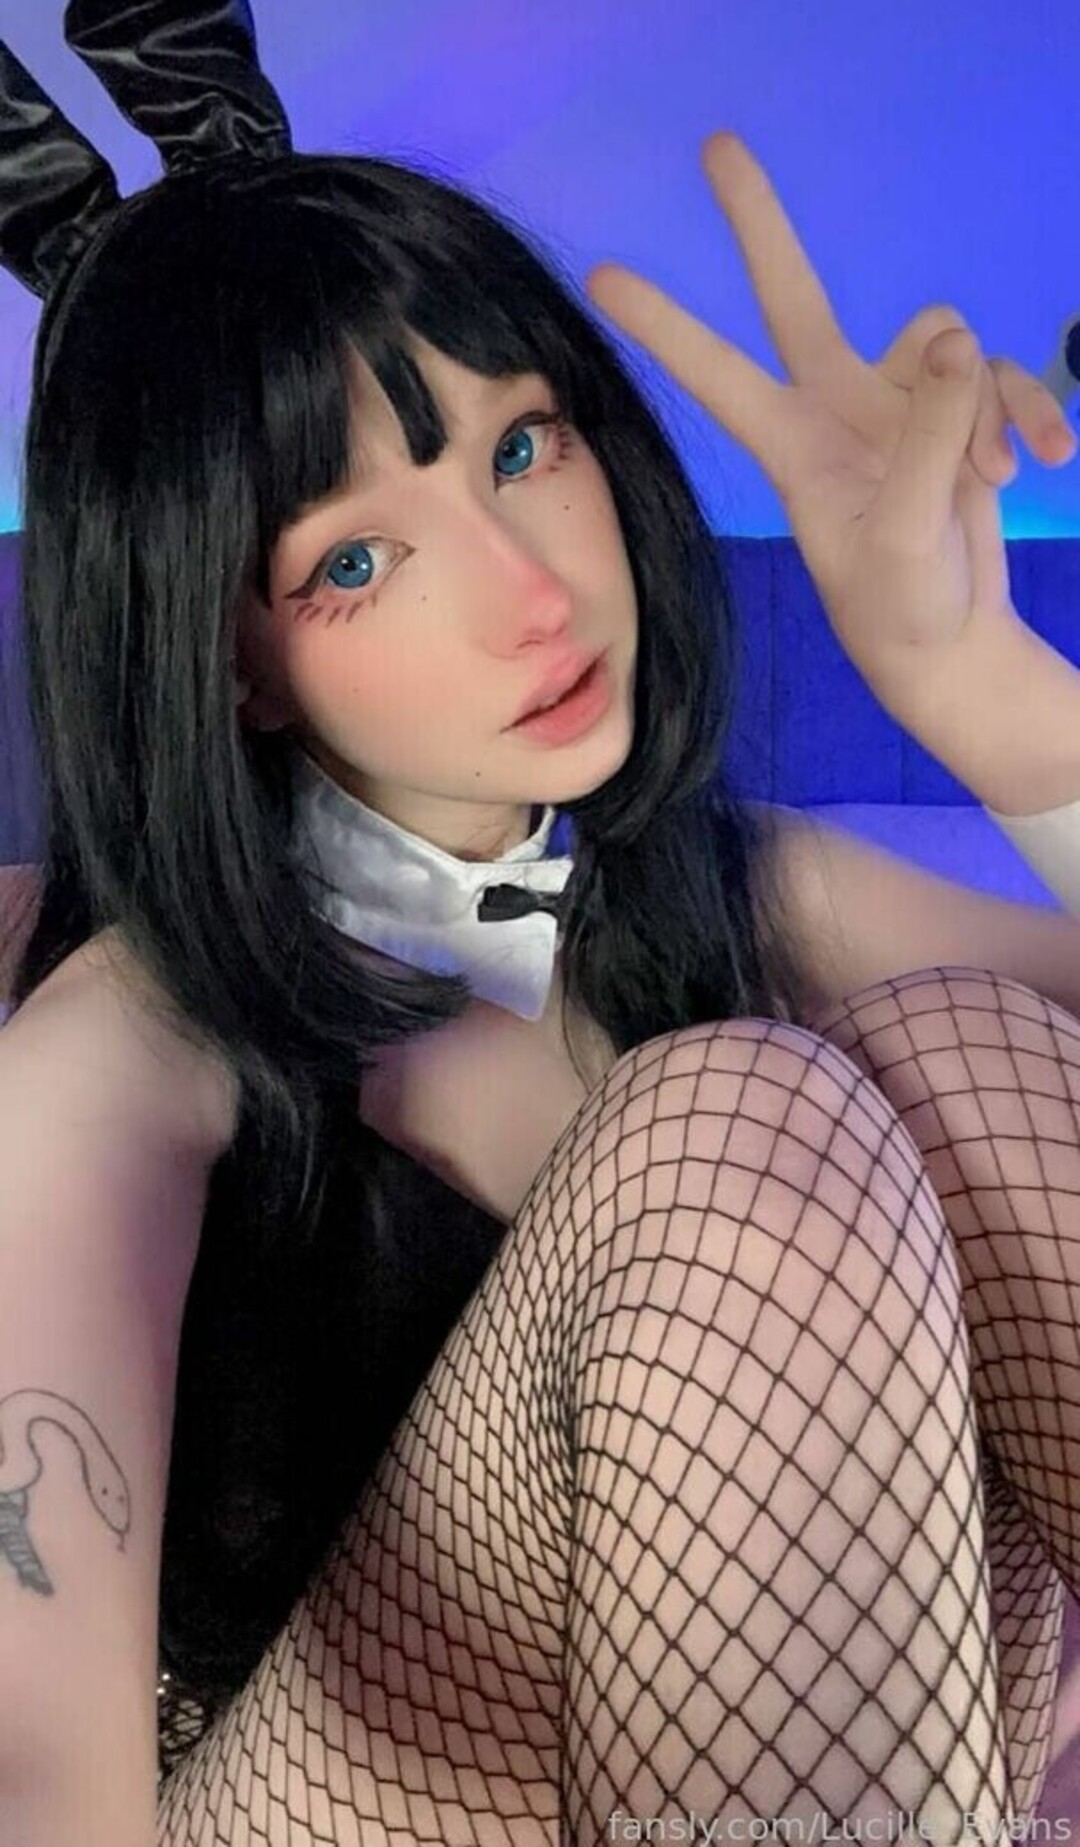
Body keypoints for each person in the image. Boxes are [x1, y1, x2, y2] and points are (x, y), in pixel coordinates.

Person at [1, 4, 1080, 1843]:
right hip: (328, 1799)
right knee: (737, 1109)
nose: (530, 593)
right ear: (226, 664)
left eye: (519, 448)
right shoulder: (129, 1050)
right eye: (354, 561)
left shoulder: (727, 885)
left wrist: (973, 681)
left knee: (954, 1061)